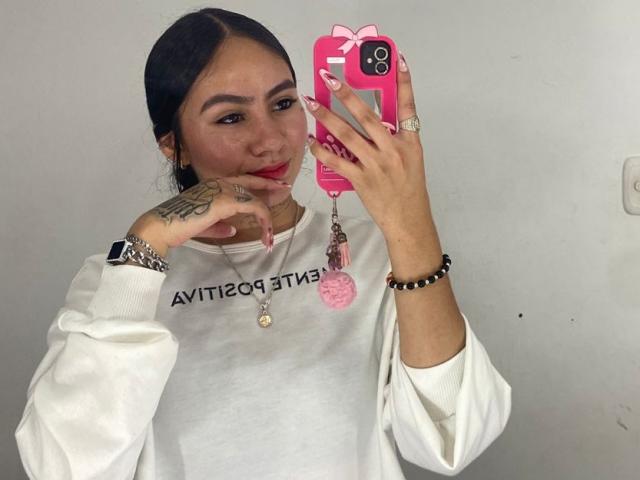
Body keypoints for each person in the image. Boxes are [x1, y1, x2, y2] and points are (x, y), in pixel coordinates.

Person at [14, 7, 511, 480]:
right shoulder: (122, 279)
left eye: (283, 103)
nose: (271, 141)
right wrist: (146, 243)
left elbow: (452, 439)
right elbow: (66, 468)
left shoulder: (375, 254)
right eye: (231, 117)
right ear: (173, 145)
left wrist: (411, 222)